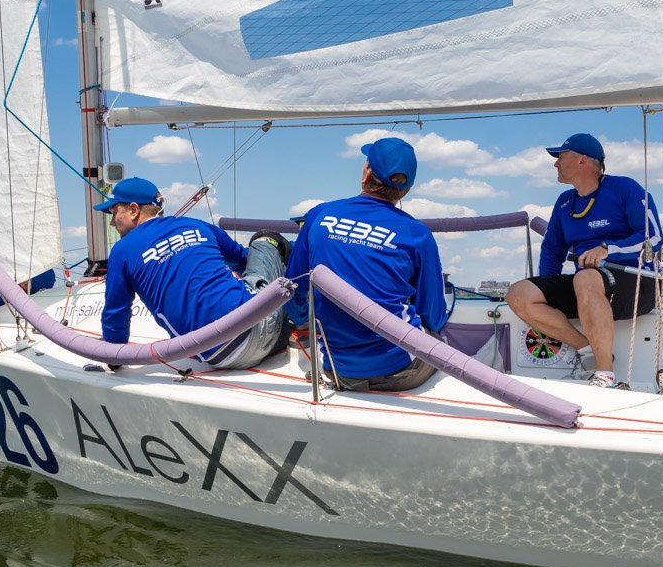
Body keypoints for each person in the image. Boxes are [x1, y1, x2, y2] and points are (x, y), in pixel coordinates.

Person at [285, 137, 446, 391]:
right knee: (438, 339)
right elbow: (433, 317)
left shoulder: (319, 215)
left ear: (367, 173)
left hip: (338, 369)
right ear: (406, 189)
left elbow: (293, 292)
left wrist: (306, 322)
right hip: (401, 371)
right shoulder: (418, 234)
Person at [506, 133, 662, 388]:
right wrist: (547, 288)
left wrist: (608, 249)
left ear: (582, 160)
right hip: (588, 284)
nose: (555, 163)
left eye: (561, 156)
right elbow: (552, 250)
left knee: (586, 278)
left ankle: (605, 374)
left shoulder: (625, 189)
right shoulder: (564, 202)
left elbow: (654, 238)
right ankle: (587, 349)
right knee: (519, 293)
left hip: (636, 283)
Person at [97, 176, 288, 369]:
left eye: (114, 213)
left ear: (133, 210)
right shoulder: (196, 225)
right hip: (263, 327)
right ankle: (298, 313)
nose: (112, 222)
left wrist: (114, 359)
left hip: (217, 356)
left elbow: (116, 313)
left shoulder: (122, 251)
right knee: (265, 240)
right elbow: (243, 259)